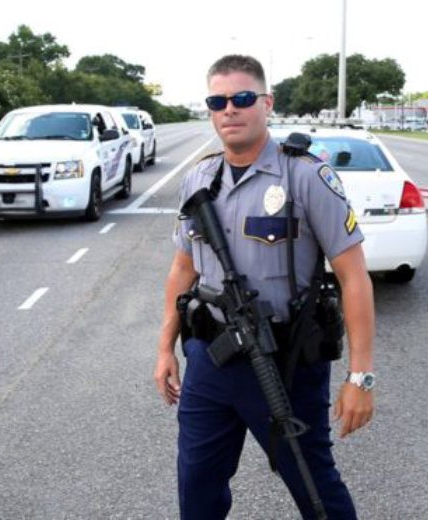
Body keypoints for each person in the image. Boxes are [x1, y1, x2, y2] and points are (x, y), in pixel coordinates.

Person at [153, 54, 375, 519]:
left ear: (266, 103)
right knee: (196, 487)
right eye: (218, 100)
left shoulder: (306, 177)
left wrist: (360, 377)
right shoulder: (200, 179)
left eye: (242, 98)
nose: (229, 109)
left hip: (286, 363)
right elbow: (182, 269)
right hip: (210, 363)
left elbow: (354, 277)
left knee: (314, 487)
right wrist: (164, 350)